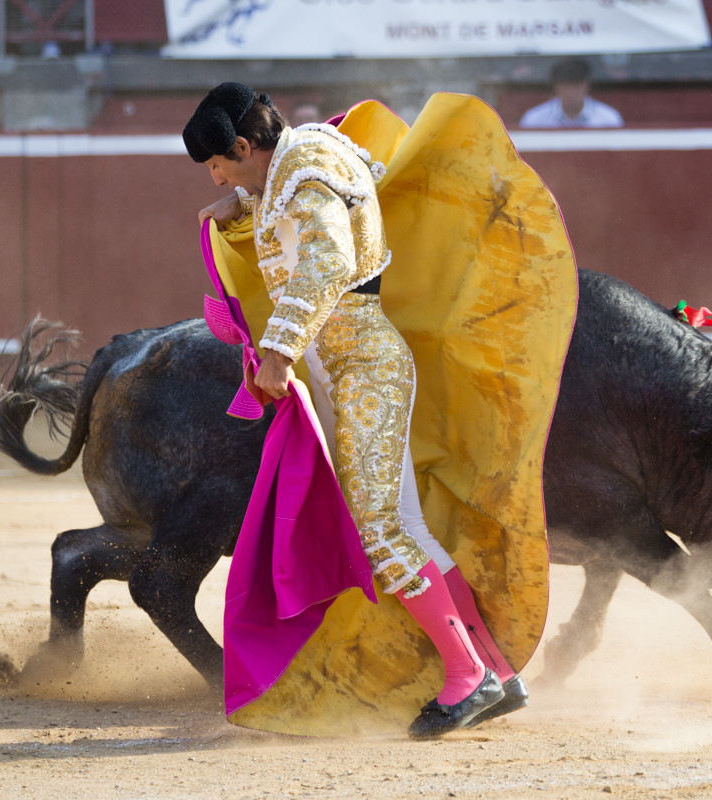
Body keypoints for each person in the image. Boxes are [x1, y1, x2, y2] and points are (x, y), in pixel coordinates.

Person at [182, 84, 532, 739]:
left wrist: (280, 351)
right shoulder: (300, 159)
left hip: (361, 366)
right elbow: (306, 217)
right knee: (403, 527)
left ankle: (468, 676)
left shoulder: (305, 170)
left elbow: (328, 259)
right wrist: (242, 203)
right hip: (354, 362)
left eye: (217, 163)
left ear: (241, 145)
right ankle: (494, 671)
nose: (216, 176)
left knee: (380, 532)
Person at [518, 58, 624, 128]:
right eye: (566, 86)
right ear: (556, 87)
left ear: (587, 85)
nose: (571, 92)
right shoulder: (534, 119)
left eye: (576, 85)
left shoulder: (608, 118)